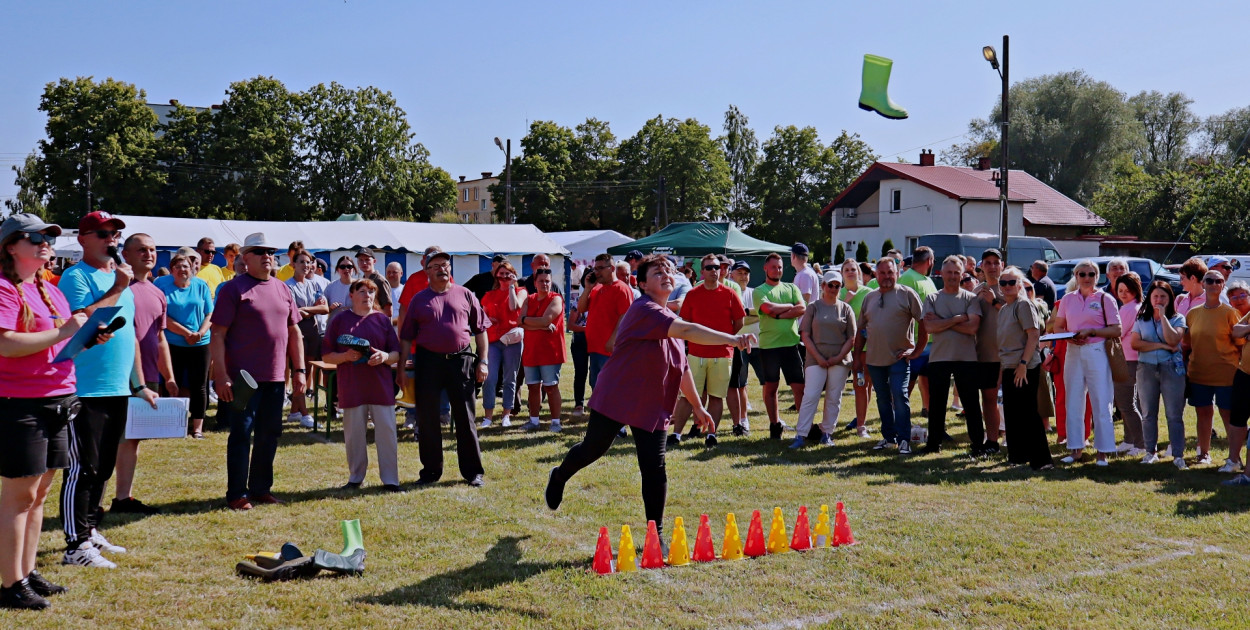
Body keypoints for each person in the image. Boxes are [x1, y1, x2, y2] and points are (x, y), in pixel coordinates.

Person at [544, 255, 753, 538]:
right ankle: (559, 476)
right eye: (657, 272)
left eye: (669, 270)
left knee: (654, 466)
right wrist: (732, 339)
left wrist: (698, 406)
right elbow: (690, 330)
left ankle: (656, 533)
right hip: (618, 394)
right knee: (593, 449)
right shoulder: (644, 309)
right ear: (641, 283)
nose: (666, 274)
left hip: (651, 403)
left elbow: (681, 369)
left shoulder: (670, 318)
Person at [0, 214, 95, 608]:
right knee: (19, 496)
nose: (46, 242)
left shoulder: (49, 289)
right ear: (11, 246)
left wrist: (85, 338)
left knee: (39, 494)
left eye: (50, 237)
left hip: (57, 398)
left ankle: (27, 571)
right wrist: (64, 332)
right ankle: (10, 585)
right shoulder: (4, 289)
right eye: (36, 237)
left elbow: (55, 343)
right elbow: (6, 344)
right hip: (19, 402)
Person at [58, 211, 160, 569]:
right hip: (84, 387)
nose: (111, 239)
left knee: (101, 468)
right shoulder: (76, 276)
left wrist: (139, 383)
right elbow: (78, 322)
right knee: (82, 468)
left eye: (115, 233)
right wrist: (117, 288)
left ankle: (90, 530)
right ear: (83, 239)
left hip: (116, 387)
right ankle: (75, 546)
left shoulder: (121, 279)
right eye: (103, 233)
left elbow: (129, 334)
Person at [211, 232, 304, 510]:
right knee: (241, 434)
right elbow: (217, 334)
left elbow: (294, 330)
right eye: (260, 251)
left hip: (275, 376)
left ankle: (261, 488)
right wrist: (221, 375)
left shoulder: (282, 288)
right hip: (243, 379)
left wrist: (299, 370)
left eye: (270, 252)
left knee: (270, 433)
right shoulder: (233, 289)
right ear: (245, 258)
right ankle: (237, 493)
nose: (267, 256)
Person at [398, 247, 487, 487]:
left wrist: (483, 360)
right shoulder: (419, 299)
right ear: (426, 271)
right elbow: (406, 336)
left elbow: (480, 330)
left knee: (465, 418)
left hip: (461, 361)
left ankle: (473, 472)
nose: (442, 269)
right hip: (428, 363)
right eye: (435, 266)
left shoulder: (466, 294)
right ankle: (430, 472)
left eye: (445, 265)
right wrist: (401, 368)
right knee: (427, 419)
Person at [114, 234, 178, 516]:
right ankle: (94, 504)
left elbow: (160, 337)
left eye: (152, 250)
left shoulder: (157, 292)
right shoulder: (115, 288)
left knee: (133, 437)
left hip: (148, 374)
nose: (148, 254)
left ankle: (123, 498)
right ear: (125, 254)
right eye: (141, 250)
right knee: (111, 438)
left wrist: (170, 376)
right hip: (116, 372)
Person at [322, 279, 400, 491]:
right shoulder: (339, 320)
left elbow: (396, 354)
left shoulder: (383, 321)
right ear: (352, 295)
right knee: (354, 435)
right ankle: (356, 478)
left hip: (380, 386)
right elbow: (327, 356)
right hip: (352, 386)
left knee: (387, 434)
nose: (367, 295)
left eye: (371, 292)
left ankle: (391, 480)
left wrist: (384, 356)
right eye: (362, 291)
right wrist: (345, 356)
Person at [670, 253, 746, 446]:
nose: (715, 270)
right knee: (687, 396)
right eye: (710, 267)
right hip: (695, 354)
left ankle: (712, 434)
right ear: (702, 272)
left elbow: (739, 322)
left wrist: (724, 339)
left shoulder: (730, 293)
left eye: (717, 267)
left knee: (716, 396)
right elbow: (685, 323)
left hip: (722, 354)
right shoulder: (693, 294)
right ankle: (676, 434)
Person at [854, 258, 926, 454]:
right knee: (883, 399)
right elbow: (861, 329)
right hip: (874, 360)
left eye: (890, 272)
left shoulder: (907, 294)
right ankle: (889, 437)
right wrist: (857, 359)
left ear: (897, 273)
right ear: (876, 275)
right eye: (882, 273)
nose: (886, 276)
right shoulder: (869, 298)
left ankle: (904, 439)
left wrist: (917, 350)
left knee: (900, 396)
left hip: (899, 358)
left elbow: (924, 323)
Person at [1054, 260, 1121, 466]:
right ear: (1075, 276)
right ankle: (1076, 449)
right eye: (1081, 274)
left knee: (1101, 399)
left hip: (1097, 350)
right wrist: (1068, 337)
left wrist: (1092, 331)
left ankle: (1103, 451)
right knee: (1073, 400)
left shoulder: (1105, 298)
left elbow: (1116, 329)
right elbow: (1057, 326)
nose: (1086, 278)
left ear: (1097, 276)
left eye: (1090, 274)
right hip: (1073, 350)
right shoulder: (1067, 299)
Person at [920, 256, 984, 455]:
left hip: (966, 358)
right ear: (941, 273)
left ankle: (977, 445)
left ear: (962, 274)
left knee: (971, 404)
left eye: (957, 273)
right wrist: (958, 318)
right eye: (949, 272)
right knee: (937, 404)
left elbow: (973, 328)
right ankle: (933, 444)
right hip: (939, 358)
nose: (953, 276)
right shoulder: (932, 298)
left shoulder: (971, 298)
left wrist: (943, 321)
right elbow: (929, 327)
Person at [1183, 270, 1242, 471]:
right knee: (1203, 412)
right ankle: (1204, 453)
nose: (1214, 284)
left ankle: (1235, 457)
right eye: (1210, 280)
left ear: (1223, 285)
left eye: (1219, 281)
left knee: (1228, 414)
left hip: (1226, 373)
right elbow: (1187, 343)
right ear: (1203, 283)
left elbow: (1240, 342)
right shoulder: (1192, 313)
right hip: (1199, 372)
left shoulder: (1230, 313)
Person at [996, 267, 1053, 470]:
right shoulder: (1004, 309)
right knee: (1012, 413)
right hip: (1009, 365)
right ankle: (1017, 456)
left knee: (1029, 412)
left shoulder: (1024, 305)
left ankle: (1042, 460)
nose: (1007, 287)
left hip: (1025, 366)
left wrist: (1023, 364)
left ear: (1020, 285)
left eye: (1012, 282)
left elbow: (1033, 336)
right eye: (1003, 283)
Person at [792, 269, 855, 449]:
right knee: (810, 395)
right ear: (823, 286)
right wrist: (819, 357)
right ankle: (801, 434)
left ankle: (827, 433)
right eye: (830, 285)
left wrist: (838, 358)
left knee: (834, 397)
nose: (834, 288)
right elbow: (805, 335)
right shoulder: (813, 307)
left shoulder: (846, 308)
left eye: (837, 285)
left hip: (840, 361)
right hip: (815, 359)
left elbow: (851, 338)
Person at [155, 252, 213, 438]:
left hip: (200, 342)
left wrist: (200, 333)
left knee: (200, 385)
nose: (182, 270)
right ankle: (174, 425)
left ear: (192, 268)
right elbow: (161, 315)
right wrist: (186, 333)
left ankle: (197, 428)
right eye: (178, 267)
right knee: (173, 383)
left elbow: (210, 314)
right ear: (171, 270)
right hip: (173, 342)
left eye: (185, 266)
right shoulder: (161, 285)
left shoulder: (201, 285)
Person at [1131, 281, 1187, 467]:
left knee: (1174, 414)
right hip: (1146, 368)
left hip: (1171, 368)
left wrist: (1163, 317)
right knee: (1148, 413)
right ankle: (1150, 452)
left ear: (1170, 298)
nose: (1159, 300)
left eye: (1163, 296)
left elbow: (1174, 338)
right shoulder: (1141, 319)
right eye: (1155, 296)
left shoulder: (1178, 319)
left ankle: (1178, 455)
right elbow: (1136, 344)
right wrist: (1162, 346)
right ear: (1150, 298)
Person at [754, 253, 806, 439]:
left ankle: (803, 427)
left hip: (791, 344)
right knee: (771, 386)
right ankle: (775, 425)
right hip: (769, 347)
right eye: (774, 267)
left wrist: (779, 313)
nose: (778, 270)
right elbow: (768, 309)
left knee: (799, 386)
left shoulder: (791, 287)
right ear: (766, 268)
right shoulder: (759, 291)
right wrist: (788, 308)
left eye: (780, 267)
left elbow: (802, 308)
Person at [519, 265, 567, 431]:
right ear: (535, 282)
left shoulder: (556, 299)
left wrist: (529, 321)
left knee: (551, 387)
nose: (545, 284)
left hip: (550, 352)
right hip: (531, 351)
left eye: (547, 281)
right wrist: (539, 325)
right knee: (532, 386)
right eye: (541, 281)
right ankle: (534, 421)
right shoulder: (528, 299)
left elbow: (546, 320)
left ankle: (555, 422)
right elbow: (519, 321)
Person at [479, 261, 525, 428]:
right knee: (490, 378)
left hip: (512, 340)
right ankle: (488, 416)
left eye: (508, 274)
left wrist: (512, 287)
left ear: (513, 275)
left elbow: (515, 307)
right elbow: (481, 318)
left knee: (510, 378)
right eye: (502, 274)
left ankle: (506, 415)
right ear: (496, 276)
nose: (505, 277)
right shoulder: (489, 295)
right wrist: (488, 319)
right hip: (492, 340)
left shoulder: (521, 291)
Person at [286, 250, 329, 429]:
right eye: (302, 262)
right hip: (297, 331)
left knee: (308, 371)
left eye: (308, 262)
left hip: (313, 330)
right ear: (293, 265)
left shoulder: (314, 285)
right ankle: (304, 414)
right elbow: (293, 312)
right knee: (299, 371)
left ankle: (294, 412)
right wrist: (313, 309)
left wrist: (307, 310)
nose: (306, 265)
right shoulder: (287, 286)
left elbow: (325, 309)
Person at [972, 249, 1007, 453]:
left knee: (1009, 400)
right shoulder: (976, 291)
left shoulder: (1011, 287)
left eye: (996, 262)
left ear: (1002, 265)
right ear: (981, 266)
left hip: (1007, 355)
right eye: (988, 263)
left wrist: (994, 301)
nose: (992, 267)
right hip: (983, 354)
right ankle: (992, 440)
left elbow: (1016, 317)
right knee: (988, 398)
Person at [898, 246, 937, 417]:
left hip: (931, 342)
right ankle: (898, 418)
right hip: (913, 343)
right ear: (929, 261)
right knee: (907, 384)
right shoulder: (907, 279)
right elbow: (900, 311)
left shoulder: (927, 280)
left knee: (928, 381)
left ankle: (928, 412)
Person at [586, 253, 634, 388]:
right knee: (596, 385)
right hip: (595, 347)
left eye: (600, 268)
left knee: (608, 386)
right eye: (595, 269)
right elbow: (581, 307)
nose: (597, 272)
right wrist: (588, 288)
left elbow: (625, 316)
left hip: (609, 349)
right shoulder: (597, 288)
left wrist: (613, 340)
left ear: (612, 268)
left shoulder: (621, 288)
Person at [838, 259, 874, 438]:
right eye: (847, 270)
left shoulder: (869, 293)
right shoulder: (837, 291)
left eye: (854, 269)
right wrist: (845, 301)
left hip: (866, 348)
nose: (851, 272)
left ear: (859, 273)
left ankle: (861, 425)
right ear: (842, 273)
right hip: (843, 348)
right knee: (839, 386)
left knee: (864, 385)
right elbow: (833, 321)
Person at [1112, 273, 1147, 456]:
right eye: (1120, 290)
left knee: (1126, 405)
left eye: (1128, 290)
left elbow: (1117, 334)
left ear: (1136, 290)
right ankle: (1129, 440)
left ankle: (1141, 444)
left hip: (1127, 361)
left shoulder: (1128, 309)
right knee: (1127, 403)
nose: (1123, 294)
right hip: (1132, 360)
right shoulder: (1134, 306)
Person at [728, 260, 759, 435]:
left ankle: (775, 419)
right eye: (739, 272)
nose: (743, 276)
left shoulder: (755, 293)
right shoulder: (731, 293)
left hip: (759, 344)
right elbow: (737, 318)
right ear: (732, 274)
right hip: (739, 344)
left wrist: (746, 313)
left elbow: (761, 313)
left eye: (746, 273)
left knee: (770, 383)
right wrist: (750, 313)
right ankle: (742, 419)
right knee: (740, 383)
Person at [567, 271, 597, 416]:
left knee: (597, 373)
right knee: (581, 372)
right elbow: (570, 325)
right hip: (580, 340)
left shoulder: (603, 299)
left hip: (597, 340)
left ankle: (597, 403)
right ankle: (579, 404)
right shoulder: (578, 300)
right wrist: (588, 328)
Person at [354, 248, 393, 318]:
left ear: (374, 261)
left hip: (379, 325)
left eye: (367, 259)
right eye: (361, 260)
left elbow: (388, 312)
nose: (364, 263)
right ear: (357, 263)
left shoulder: (380, 281)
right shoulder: (360, 282)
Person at [324, 256, 355, 321]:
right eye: (342, 267)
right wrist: (331, 308)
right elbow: (323, 310)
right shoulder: (331, 287)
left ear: (353, 269)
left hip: (354, 324)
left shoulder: (360, 285)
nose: (346, 269)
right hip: (335, 325)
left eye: (349, 266)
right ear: (338, 269)